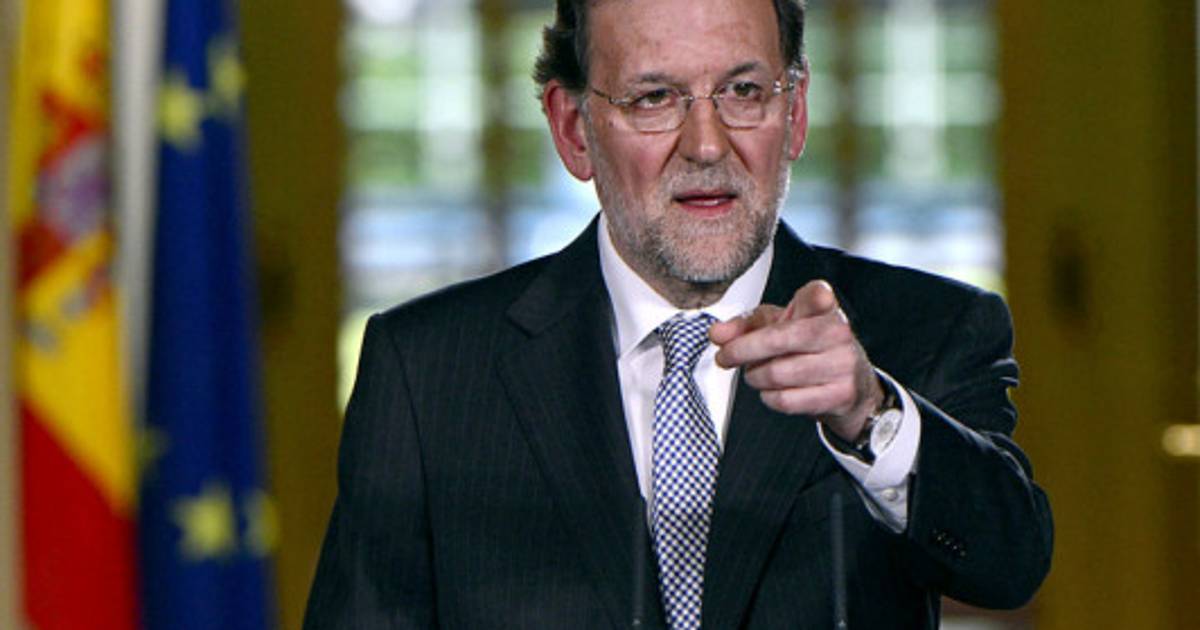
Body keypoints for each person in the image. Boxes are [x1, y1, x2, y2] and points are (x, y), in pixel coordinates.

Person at [303, 0, 1053, 627]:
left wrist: (869, 413)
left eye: (744, 91)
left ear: (794, 113)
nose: (706, 145)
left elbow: (1009, 565)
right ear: (572, 128)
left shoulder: (928, 331)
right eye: (654, 98)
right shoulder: (427, 371)